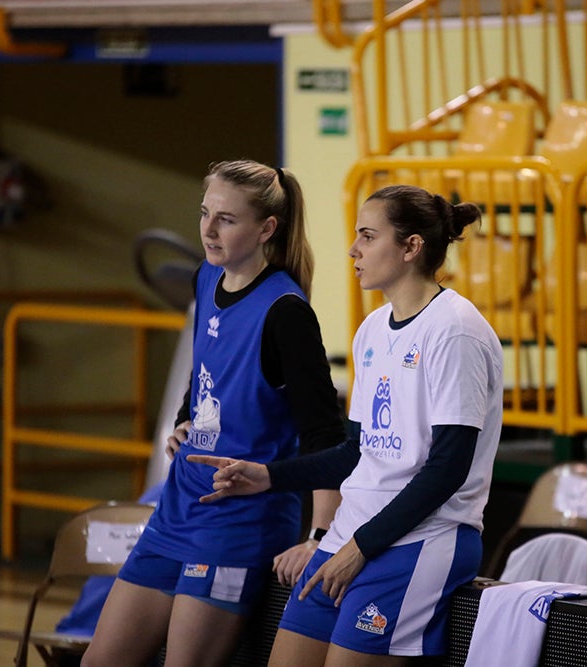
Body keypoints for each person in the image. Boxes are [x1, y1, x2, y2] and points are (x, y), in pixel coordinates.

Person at [189, 184, 505, 666]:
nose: (353, 250)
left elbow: (447, 469)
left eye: (367, 236)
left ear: (411, 246)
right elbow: (356, 454)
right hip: (352, 534)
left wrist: (361, 547)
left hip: (421, 539)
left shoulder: (455, 330)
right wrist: (270, 476)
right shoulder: (372, 329)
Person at [82, 160, 345, 667]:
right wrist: (186, 418)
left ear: (267, 228)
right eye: (205, 213)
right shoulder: (208, 277)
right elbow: (205, 369)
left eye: (226, 219)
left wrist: (319, 536)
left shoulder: (286, 311)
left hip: (238, 525)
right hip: (177, 511)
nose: (208, 229)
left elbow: (325, 440)